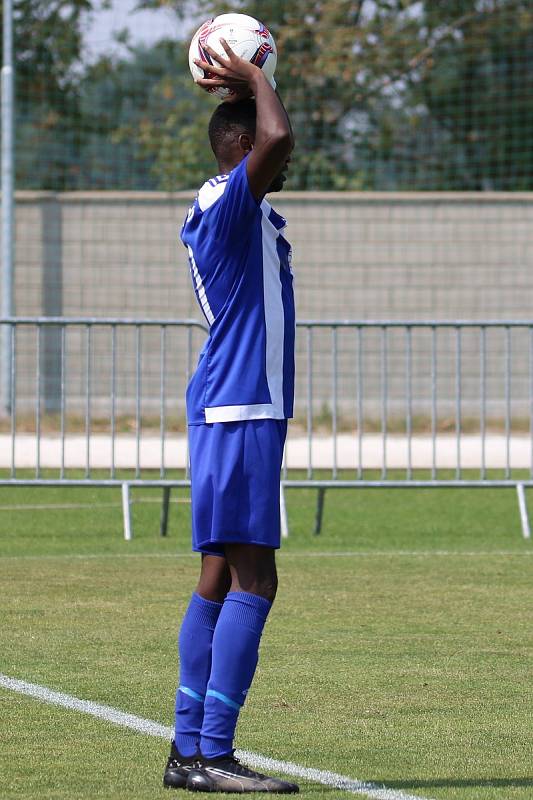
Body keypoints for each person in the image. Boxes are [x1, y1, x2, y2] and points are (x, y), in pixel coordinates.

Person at [163, 38, 298, 794]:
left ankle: (189, 754)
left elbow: (272, 138)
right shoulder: (227, 200)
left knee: (218, 575)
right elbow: (278, 136)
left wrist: (254, 80)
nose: (279, 151)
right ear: (241, 147)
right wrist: (251, 73)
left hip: (236, 405)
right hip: (240, 405)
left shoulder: (240, 207)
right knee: (254, 577)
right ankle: (213, 754)